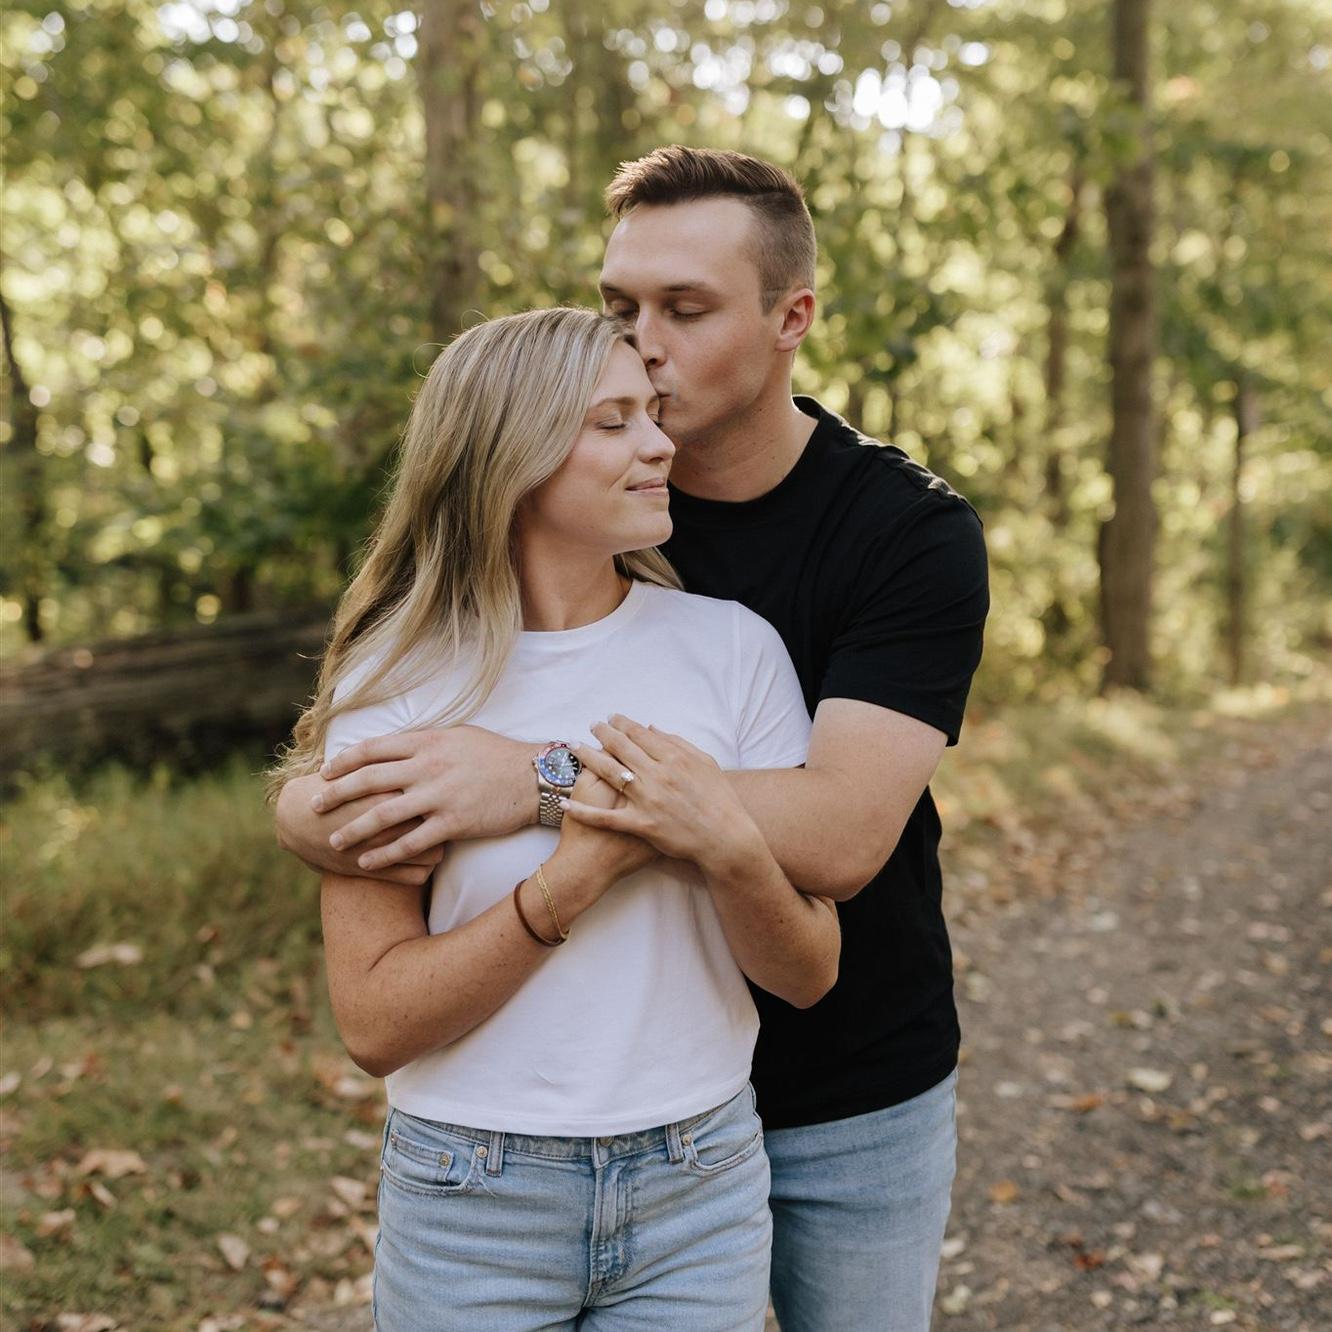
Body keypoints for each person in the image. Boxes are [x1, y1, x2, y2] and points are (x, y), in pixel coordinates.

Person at [277, 147, 989, 1332]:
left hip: (848, 1075)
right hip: (528, 1131)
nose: (644, 345)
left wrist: (537, 781)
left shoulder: (902, 534)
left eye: (685, 309)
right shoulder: (588, 508)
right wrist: (321, 804)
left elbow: (846, 833)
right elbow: (361, 795)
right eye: (621, 307)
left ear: (791, 319)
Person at [269, 306, 840, 1330]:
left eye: (652, 414)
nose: (660, 444)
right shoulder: (399, 682)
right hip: (470, 1195)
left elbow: (808, 972)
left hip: (698, 1182)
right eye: (613, 422)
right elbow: (376, 1023)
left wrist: (718, 841)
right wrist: (565, 885)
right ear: (511, 460)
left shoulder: (734, 651)